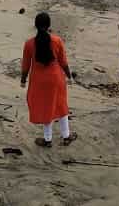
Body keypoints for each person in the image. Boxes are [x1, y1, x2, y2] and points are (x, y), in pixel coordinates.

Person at [20, 12, 76, 147]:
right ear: (49, 25)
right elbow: (63, 62)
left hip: (39, 81)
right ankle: (66, 136)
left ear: (35, 25)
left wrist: (23, 80)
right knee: (61, 105)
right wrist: (69, 76)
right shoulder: (57, 41)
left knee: (46, 108)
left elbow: (26, 65)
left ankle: (47, 139)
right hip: (56, 79)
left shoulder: (29, 44)